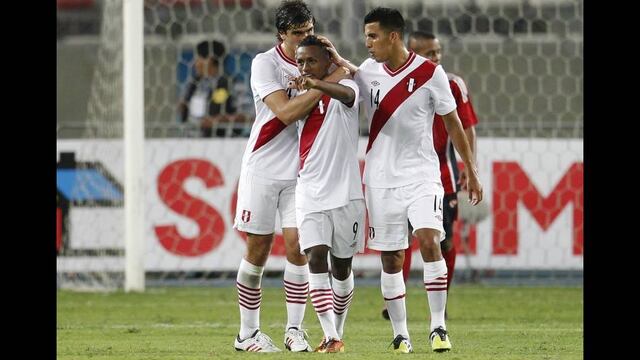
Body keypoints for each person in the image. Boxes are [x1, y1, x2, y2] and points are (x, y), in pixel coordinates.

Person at [317, 7, 483, 353]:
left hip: (423, 175)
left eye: (374, 36)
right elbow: (352, 76)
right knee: (391, 258)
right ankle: (401, 333)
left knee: (428, 240)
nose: (368, 42)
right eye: (366, 36)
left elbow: (453, 123)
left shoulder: (430, 73)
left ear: (394, 36)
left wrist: (472, 169)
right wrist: (335, 57)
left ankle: (438, 327)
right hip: (379, 180)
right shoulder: (366, 71)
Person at [232, 0, 349, 353]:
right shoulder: (264, 63)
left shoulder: (321, 60)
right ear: (281, 33)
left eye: (309, 31)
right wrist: (324, 85)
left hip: (303, 171)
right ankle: (247, 334)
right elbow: (284, 112)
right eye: (298, 33)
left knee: (300, 248)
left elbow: (351, 79)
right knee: (258, 249)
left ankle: (294, 329)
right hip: (263, 168)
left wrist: (335, 67)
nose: (304, 39)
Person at [380, 31, 480, 321]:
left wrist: (469, 167)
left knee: (441, 241)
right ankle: (394, 300)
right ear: (411, 52)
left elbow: (466, 126)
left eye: (438, 52)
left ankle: (441, 301)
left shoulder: (451, 83)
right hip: (399, 175)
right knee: (400, 241)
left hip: (442, 175)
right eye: (429, 53)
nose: (436, 58)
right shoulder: (394, 81)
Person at [291, 35, 364, 353]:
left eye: (311, 60)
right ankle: (330, 336)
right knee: (315, 257)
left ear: (328, 62)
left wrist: (332, 71)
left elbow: (350, 90)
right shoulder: (298, 94)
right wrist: (309, 86)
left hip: (346, 193)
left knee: (342, 267)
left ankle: (338, 328)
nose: (305, 67)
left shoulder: (346, 89)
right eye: (300, 61)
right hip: (309, 189)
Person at [178, 40, 243, 137]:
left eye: (198, 58)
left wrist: (217, 120)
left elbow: (246, 116)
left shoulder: (232, 84)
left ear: (210, 59)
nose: (195, 63)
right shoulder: (194, 84)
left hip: (222, 143)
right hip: (191, 141)